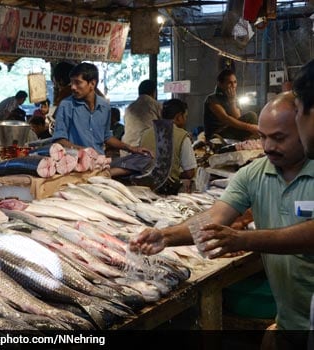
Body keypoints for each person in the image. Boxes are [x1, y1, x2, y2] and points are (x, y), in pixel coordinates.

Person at [130, 92, 314, 339]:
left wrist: (244, 239)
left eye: (279, 138)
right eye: (263, 137)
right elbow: (215, 217)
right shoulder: (253, 174)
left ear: (304, 127)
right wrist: (166, 236)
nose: (268, 146)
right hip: (291, 317)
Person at [52, 62, 150, 156]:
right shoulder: (66, 105)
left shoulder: (104, 106)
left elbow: (106, 137)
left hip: (100, 159)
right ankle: (107, 172)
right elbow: (59, 139)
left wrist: (132, 148)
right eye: (72, 83)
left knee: (145, 159)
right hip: (76, 161)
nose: (73, 87)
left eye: (77, 82)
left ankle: (106, 170)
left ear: (92, 84)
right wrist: (84, 151)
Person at [138, 99, 196, 194]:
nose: (185, 120)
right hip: (166, 190)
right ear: (178, 117)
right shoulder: (182, 136)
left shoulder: (145, 133)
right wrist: (174, 173)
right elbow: (190, 173)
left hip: (145, 187)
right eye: (185, 117)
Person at [203, 69, 258, 141]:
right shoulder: (212, 99)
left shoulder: (233, 98)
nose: (233, 86)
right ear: (220, 84)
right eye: (230, 83)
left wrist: (232, 101)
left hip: (230, 131)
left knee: (251, 116)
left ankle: (250, 142)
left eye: (235, 82)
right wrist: (250, 127)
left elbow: (237, 117)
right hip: (217, 134)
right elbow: (226, 119)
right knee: (251, 118)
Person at [120, 79, 162, 156]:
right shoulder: (156, 105)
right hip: (146, 150)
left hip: (126, 149)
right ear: (154, 92)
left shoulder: (129, 108)